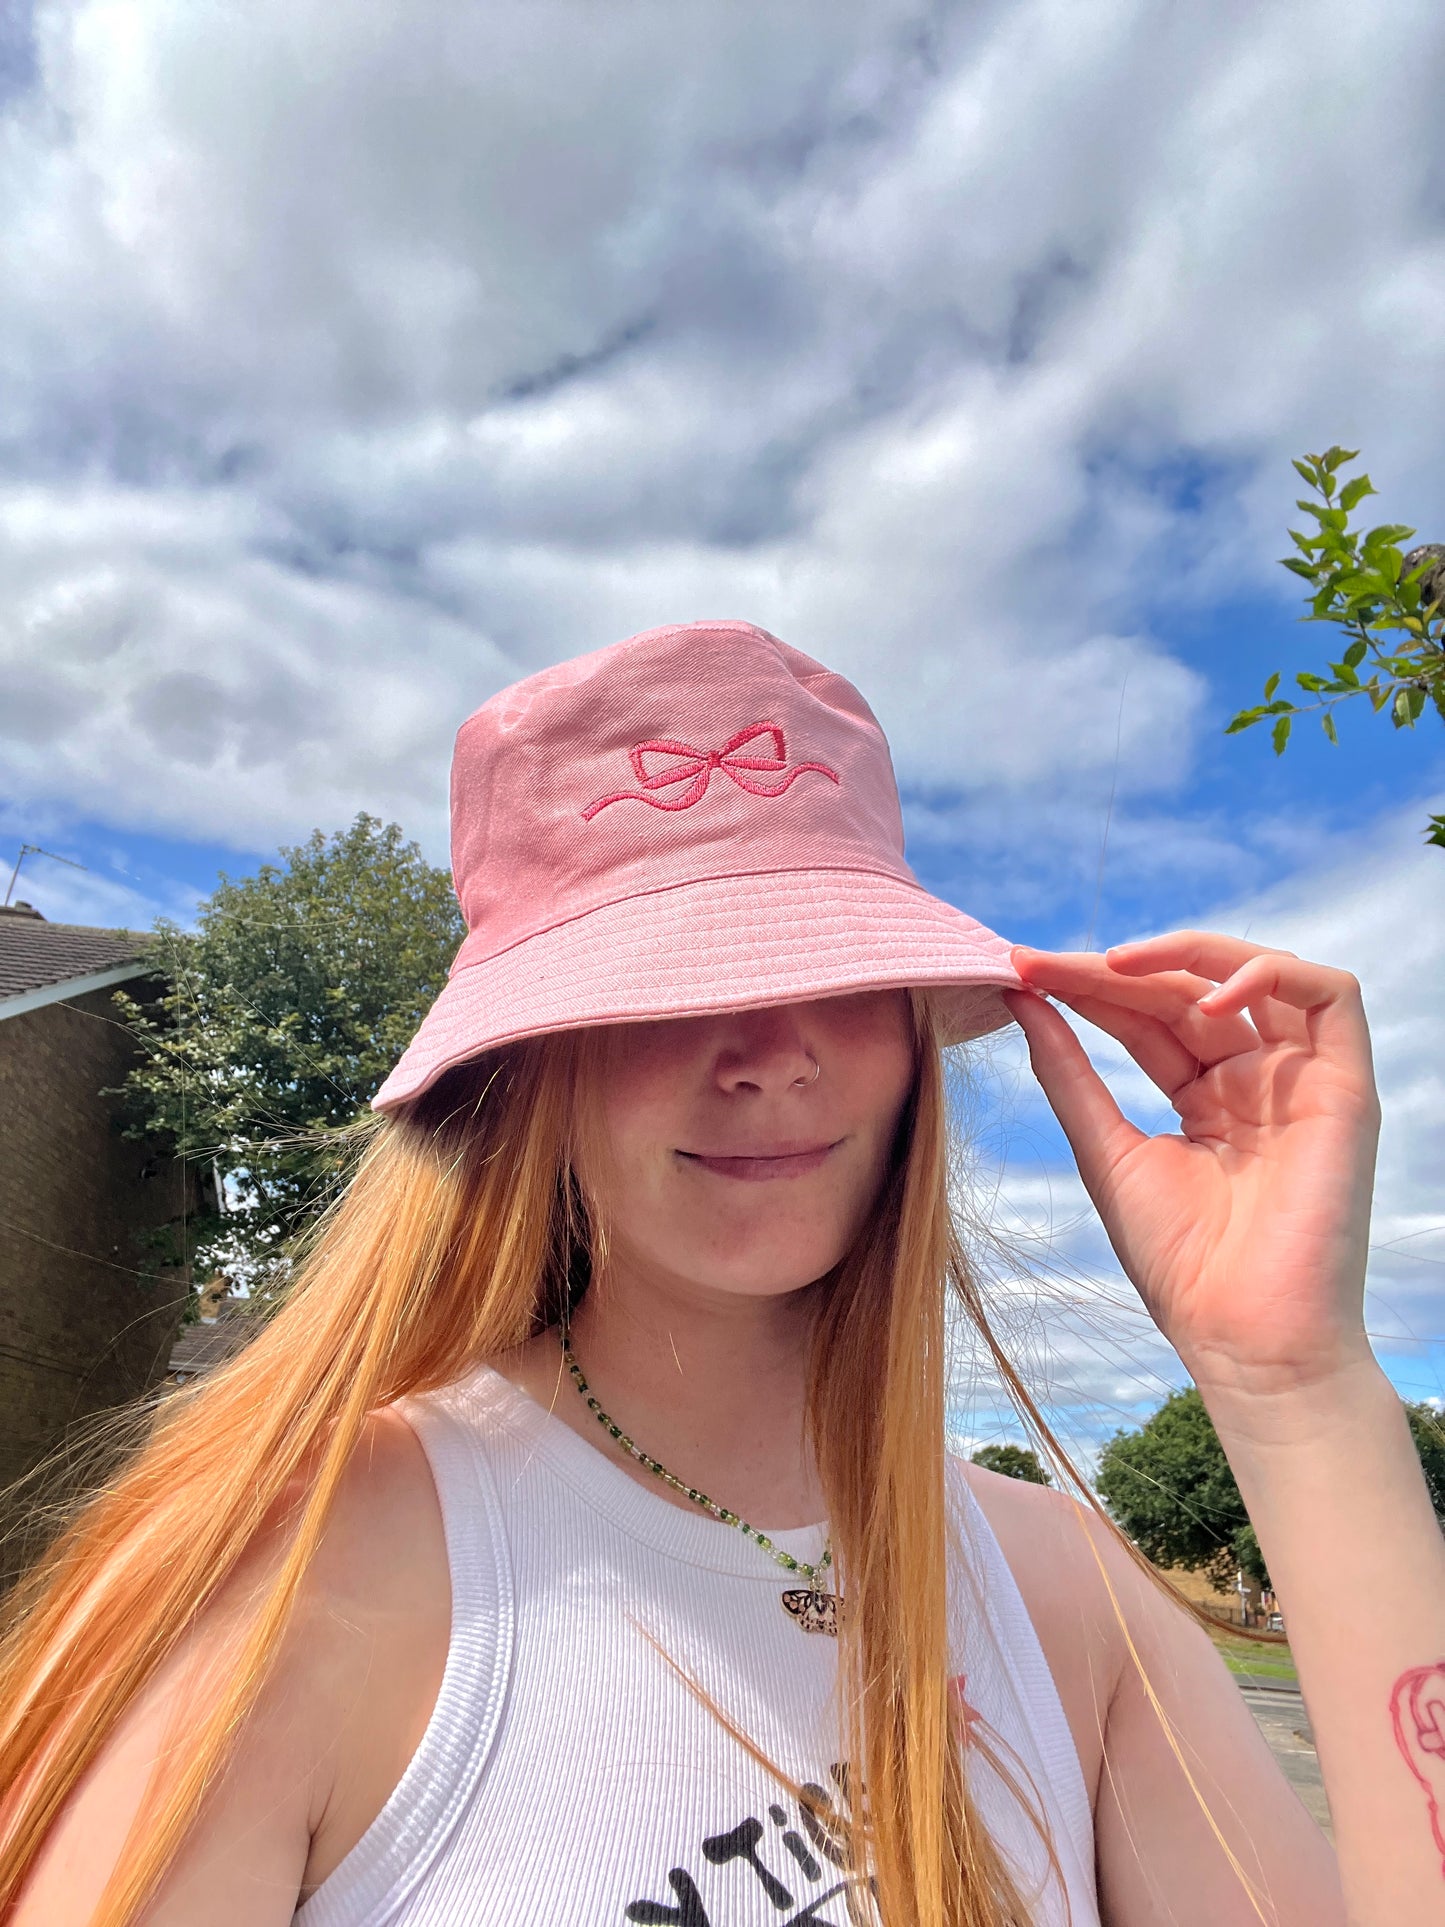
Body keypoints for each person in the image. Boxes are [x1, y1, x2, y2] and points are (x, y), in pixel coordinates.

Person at [0, 618, 1438, 1926]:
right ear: (530, 1074)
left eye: (829, 972)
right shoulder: (290, 1581)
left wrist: (1292, 1385)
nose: (768, 1056)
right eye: (658, 991)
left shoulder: (1064, 1591)